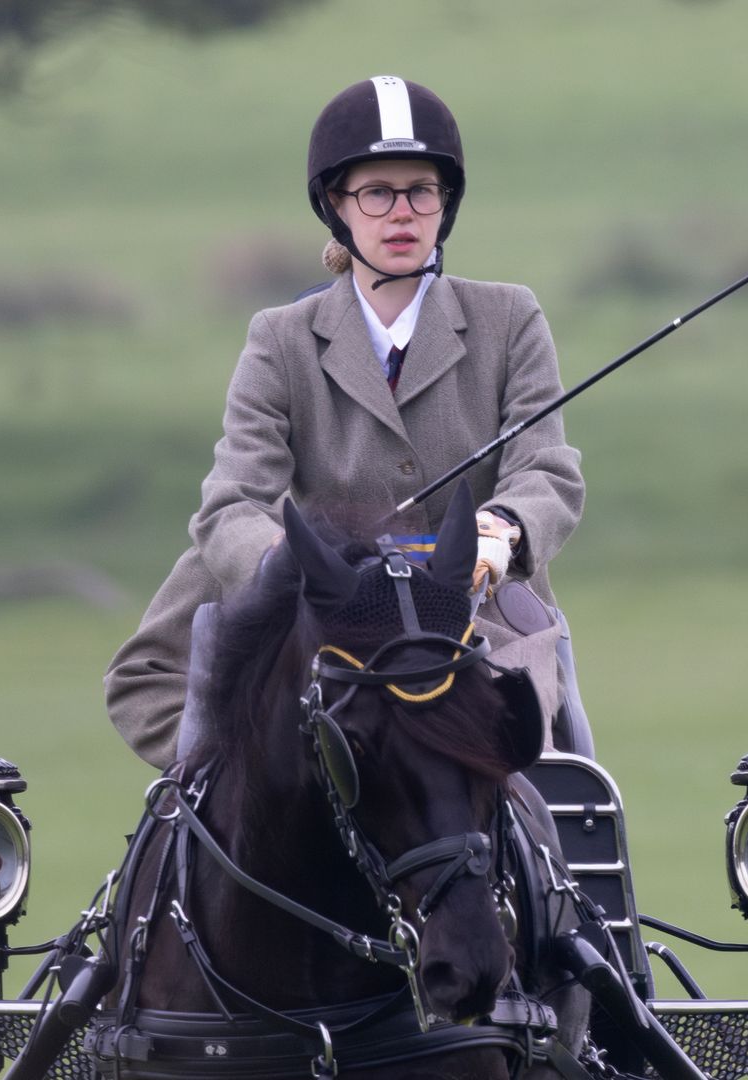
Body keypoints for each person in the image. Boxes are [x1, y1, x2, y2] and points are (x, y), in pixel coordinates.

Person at [104, 75, 586, 769]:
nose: (402, 213)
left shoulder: (511, 319)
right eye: (376, 192)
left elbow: (547, 468)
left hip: (477, 619)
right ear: (337, 204)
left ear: (444, 203)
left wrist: (502, 531)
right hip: (330, 621)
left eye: (421, 190)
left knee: (551, 778)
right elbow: (234, 501)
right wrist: (293, 570)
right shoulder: (280, 339)